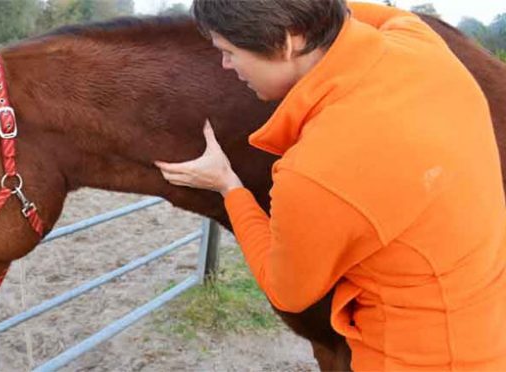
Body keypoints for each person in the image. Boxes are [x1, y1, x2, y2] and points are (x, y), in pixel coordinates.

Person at [155, 1, 506, 370]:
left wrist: (229, 187)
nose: (226, 65)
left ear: (287, 42)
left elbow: (285, 289)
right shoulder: (422, 47)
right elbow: (378, 14)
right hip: (488, 336)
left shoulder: (314, 171)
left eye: (229, 52)